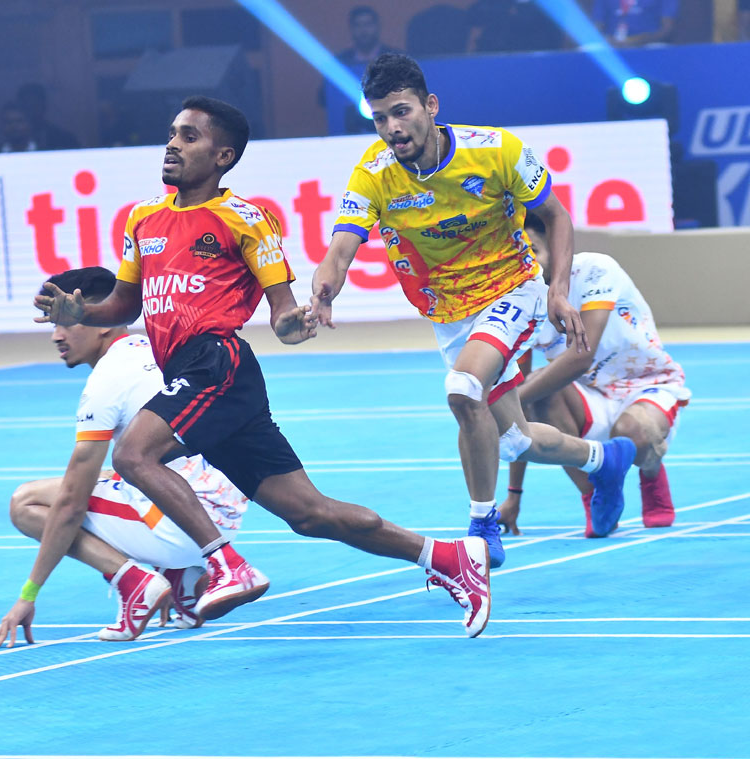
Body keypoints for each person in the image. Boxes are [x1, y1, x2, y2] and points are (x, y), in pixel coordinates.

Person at [34, 95, 494, 638]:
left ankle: (227, 565)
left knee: (134, 454)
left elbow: (282, 315)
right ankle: (446, 557)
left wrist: (296, 324)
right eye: (173, 134)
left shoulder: (246, 220)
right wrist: (80, 312)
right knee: (310, 513)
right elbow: (123, 306)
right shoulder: (143, 218)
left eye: (189, 137)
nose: (172, 145)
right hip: (192, 375)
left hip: (217, 364)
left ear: (223, 156)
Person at [311, 53, 637, 568]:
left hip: (511, 289)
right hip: (448, 314)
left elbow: (555, 215)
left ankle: (481, 528)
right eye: (379, 118)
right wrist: (325, 288)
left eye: (401, 112)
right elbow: (341, 248)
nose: (392, 128)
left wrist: (556, 290)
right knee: (515, 441)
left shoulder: (496, 150)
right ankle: (604, 459)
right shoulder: (374, 173)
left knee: (463, 389)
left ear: (430, 105)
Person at [0, 267, 253, 649]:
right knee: (115, 474)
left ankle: (135, 582)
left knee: (27, 502)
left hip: (183, 527)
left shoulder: (106, 382)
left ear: (102, 322)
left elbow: (71, 505)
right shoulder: (155, 349)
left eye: (65, 322)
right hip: (221, 516)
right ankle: (182, 578)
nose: (56, 335)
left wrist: (28, 594)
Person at [496, 213, 691, 537]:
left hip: (648, 386)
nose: (525, 263)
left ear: (555, 248)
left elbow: (581, 356)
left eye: (533, 251)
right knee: (534, 392)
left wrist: (498, 404)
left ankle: (651, 467)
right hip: (588, 397)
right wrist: (513, 496)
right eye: (516, 256)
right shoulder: (521, 303)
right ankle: (596, 495)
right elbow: (519, 407)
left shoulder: (594, 269)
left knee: (631, 431)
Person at [319, 6, 401, 135]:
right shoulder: (339, 63)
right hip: (349, 132)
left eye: (368, 24)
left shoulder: (396, 58)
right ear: (351, 29)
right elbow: (323, 98)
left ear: (377, 27)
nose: (364, 30)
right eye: (358, 25)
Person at [17, 83, 81, 151]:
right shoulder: (13, 139)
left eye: (35, 105)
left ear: (44, 106)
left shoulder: (64, 139)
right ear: (20, 109)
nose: (32, 112)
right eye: (28, 107)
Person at [591, 0, 678, 47]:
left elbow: (667, 28)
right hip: (612, 45)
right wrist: (608, 40)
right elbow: (597, 25)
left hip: (648, 45)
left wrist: (640, 40)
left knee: (660, 49)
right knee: (588, 50)